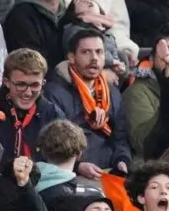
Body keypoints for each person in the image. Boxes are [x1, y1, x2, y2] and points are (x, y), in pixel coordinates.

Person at [46, 26, 132, 173]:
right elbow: (53, 145)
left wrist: (122, 160)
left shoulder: (112, 92)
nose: (94, 58)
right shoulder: (54, 92)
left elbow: (120, 137)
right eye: (86, 52)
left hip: (109, 171)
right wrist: (77, 166)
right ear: (72, 57)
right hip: (70, 173)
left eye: (99, 52)